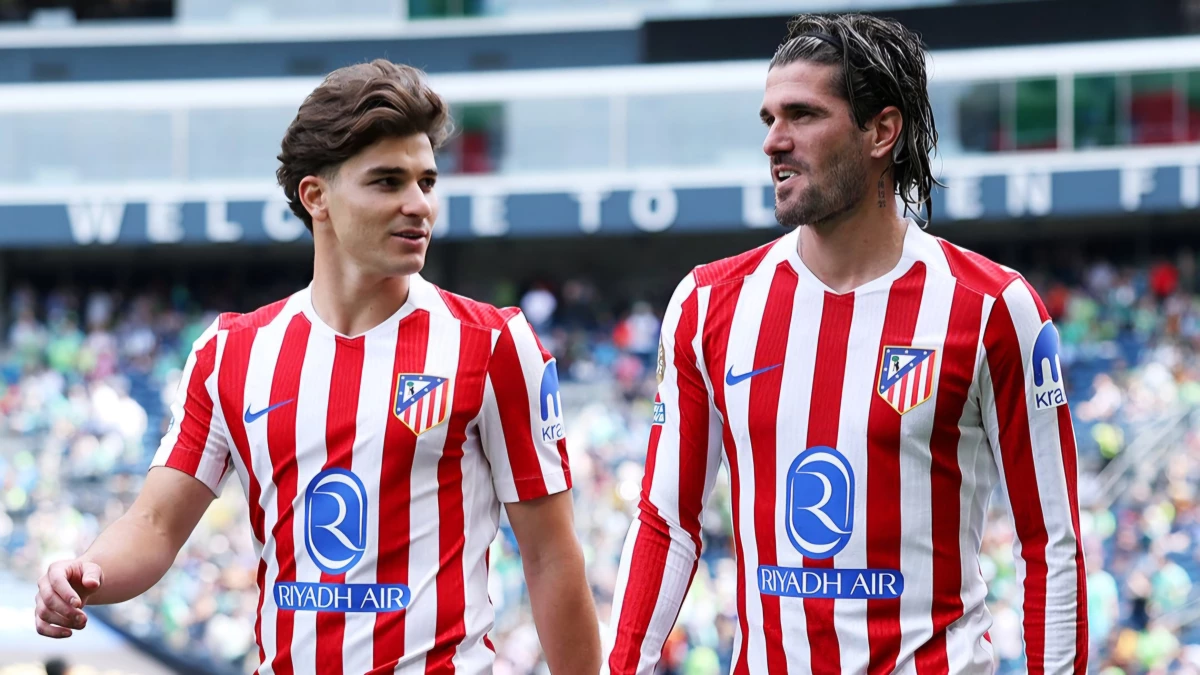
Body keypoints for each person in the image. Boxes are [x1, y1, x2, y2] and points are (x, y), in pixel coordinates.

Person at [34, 59, 601, 675]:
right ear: (316, 197)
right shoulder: (230, 353)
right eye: (388, 182)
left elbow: (550, 558)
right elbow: (154, 524)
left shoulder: (493, 345)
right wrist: (85, 573)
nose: (419, 206)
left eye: (427, 182)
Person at [604, 13, 1086, 675]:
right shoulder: (708, 303)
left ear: (881, 132)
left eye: (802, 115)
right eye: (769, 119)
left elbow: (1051, 544)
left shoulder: (992, 307)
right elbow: (667, 523)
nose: (775, 141)